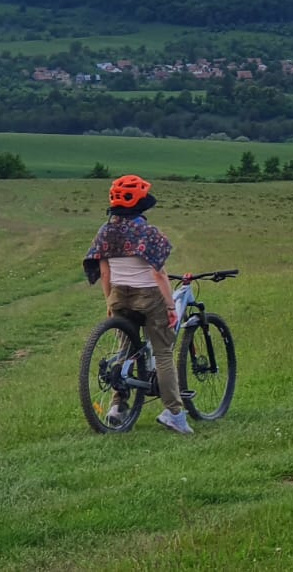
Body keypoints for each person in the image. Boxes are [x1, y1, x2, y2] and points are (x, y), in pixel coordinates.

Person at [82, 174, 193, 434]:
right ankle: (175, 414)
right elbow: (159, 274)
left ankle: (117, 407)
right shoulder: (148, 232)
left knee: (125, 351)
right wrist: (168, 306)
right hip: (149, 296)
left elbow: (105, 272)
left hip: (120, 294)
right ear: (141, 204)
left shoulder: (105, 231)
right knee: (163, 353)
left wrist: (110, 301)